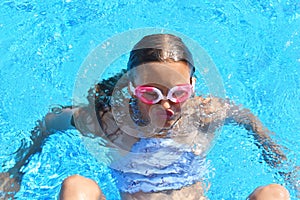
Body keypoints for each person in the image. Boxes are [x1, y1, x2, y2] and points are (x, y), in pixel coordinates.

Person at [0, 34, 292, 199]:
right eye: (151, 94)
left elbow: (250, 120)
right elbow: (51, 121)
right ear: (132, 87)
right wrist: (14, 172)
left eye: (178, 94)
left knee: (275, 194)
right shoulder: (106, 121)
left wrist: (287, 168)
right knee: (76, 187)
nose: (165, 107)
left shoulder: (204, 114)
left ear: (192, 86)